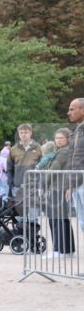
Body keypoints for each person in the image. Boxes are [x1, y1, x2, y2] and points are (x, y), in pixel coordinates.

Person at [43, 128, 75, 257]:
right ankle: (67, 250)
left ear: (68, 139)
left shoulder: (63, 152)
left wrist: (43, 184)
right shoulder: (63, 151)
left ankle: (58, 250)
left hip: (57, 187)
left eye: (61, 138)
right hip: (60, 187)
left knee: (56, 219)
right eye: (56, 138)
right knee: (62, 219)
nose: (58, 140)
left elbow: (53, 170)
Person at [9, 123, 42, 198]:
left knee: (34, 205)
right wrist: (11, 183)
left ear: (30, 133)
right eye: (21, 132)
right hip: (18, 185)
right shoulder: (13, 149)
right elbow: (9, 168)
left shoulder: (38, 147)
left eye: (26, 132)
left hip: (34, 185)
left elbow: (43, 166)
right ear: (18, 134)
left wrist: (41, 183)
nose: (23, 134)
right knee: (19, 205)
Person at [68, 98, 84, 235]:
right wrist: (71, 183)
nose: (69, 113)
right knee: (82, 222)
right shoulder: (76, 131)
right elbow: (72, 158)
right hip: (76, 182)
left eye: (72, 109)